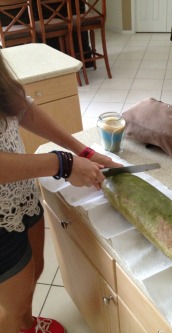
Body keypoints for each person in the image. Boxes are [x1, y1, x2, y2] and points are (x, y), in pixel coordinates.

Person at [0, 52, 122, 333]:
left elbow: (19, 107)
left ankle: (27, 326)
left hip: (21, 193)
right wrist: (61, 163)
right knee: (11, 306)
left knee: (34, 272)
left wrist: (83, 151)